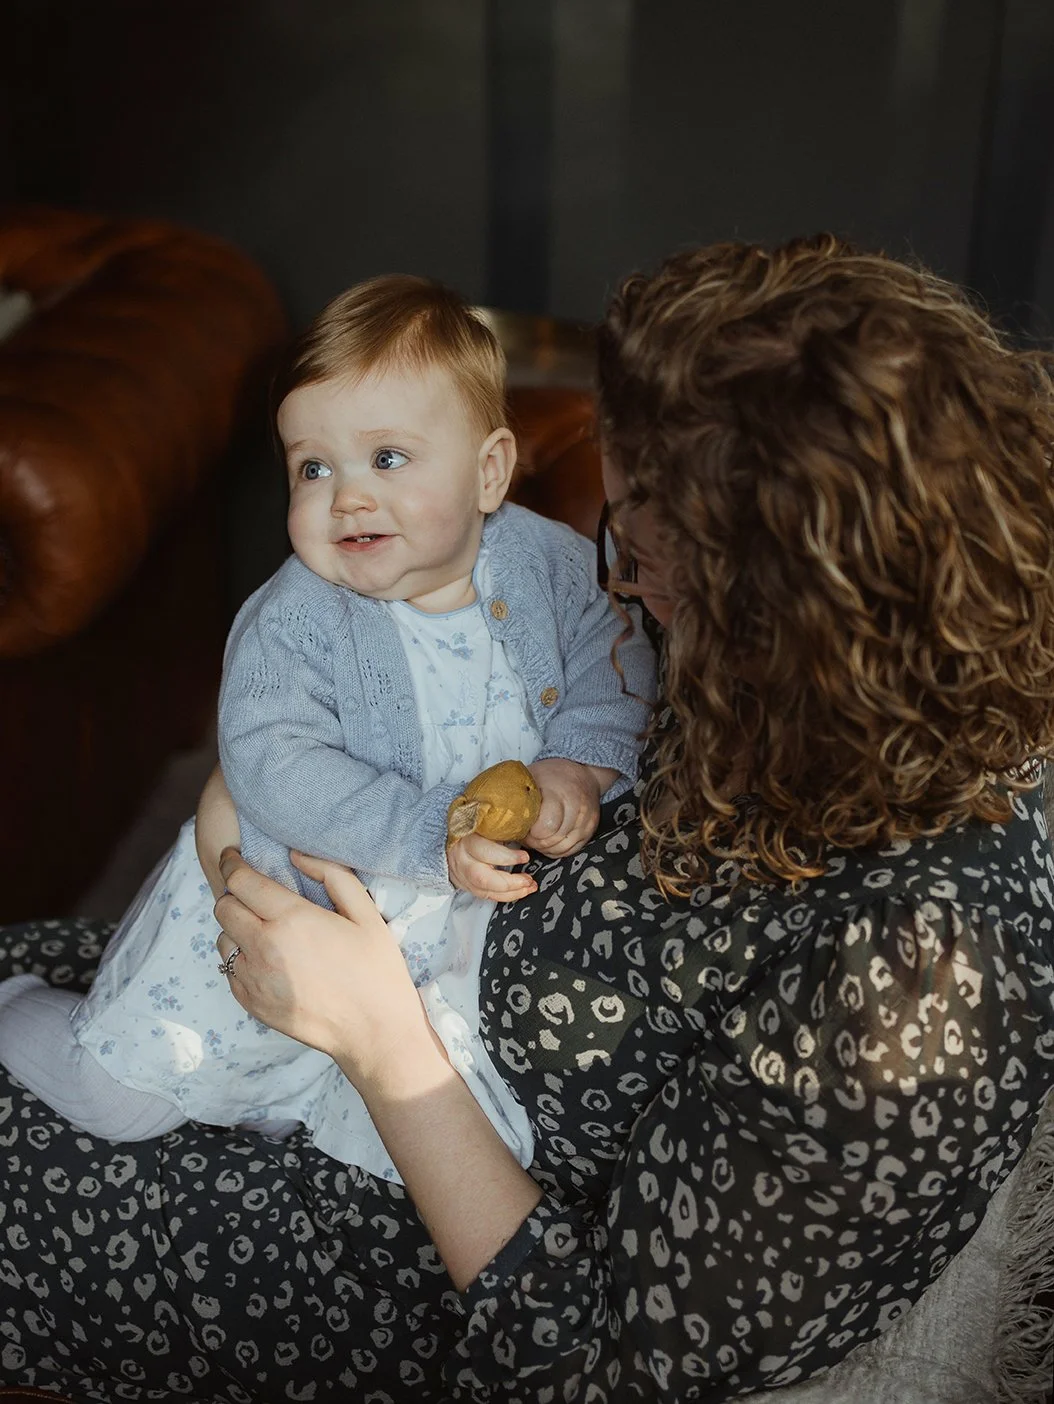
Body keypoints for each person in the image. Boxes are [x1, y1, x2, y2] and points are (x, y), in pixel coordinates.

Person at [3, 233, 1054, 1403]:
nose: (616, 584)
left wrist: (378, 1038)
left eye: (647, 561)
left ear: (786, 623)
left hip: (380, 1214)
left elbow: (597, 1362)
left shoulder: (915, 982)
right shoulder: (772, 691)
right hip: (331, 975)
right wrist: (248, 809)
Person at [0, 275, 656, 1181]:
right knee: (121, 1101)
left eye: (388, 458)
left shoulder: (547, 563)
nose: (347, 496)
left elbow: (614, 663)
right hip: (290, 905)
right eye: (315, 467)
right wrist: (436, 833)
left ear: (490, 471)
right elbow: (275, 767)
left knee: (392, 1135)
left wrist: (577, 769)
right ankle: (17, 1006)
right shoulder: (294, 619)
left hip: (433, 938)